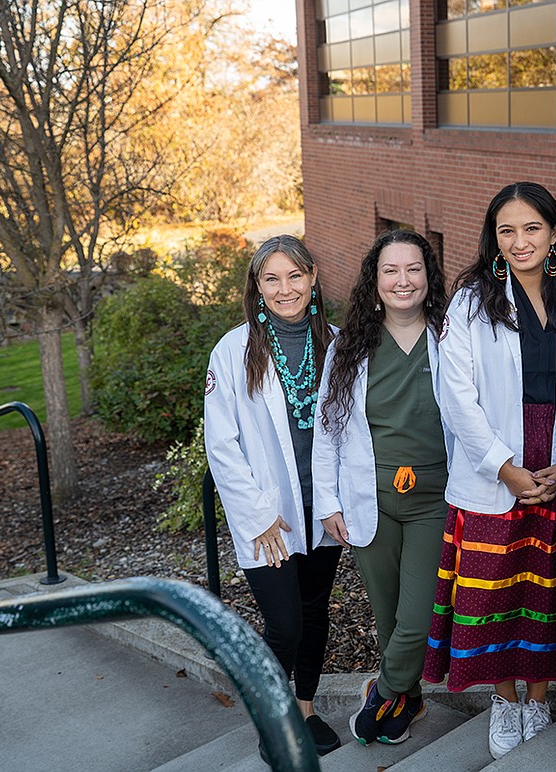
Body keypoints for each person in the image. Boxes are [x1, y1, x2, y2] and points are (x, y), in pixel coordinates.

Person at [422, 182, 556, 759]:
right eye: (507, 230)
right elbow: (456, 393)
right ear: (493, 237)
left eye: (532, 228)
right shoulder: (471, 298)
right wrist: (505, 468)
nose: (520, 242)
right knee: (491, 590)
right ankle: (505, 696)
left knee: (547, 588)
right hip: (495, 463)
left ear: (555, 232)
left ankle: (538, 695)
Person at [203, 234, 344, 759]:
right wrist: (259, 516)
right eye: (272, 279)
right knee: (283, 625)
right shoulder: (234, 350)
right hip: (269, 518)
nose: (285, 289)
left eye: (294, 276)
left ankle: (304, 709)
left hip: (322, 510)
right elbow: (221, 445)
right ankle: (272, 716)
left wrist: (339, 503)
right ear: (257, 288)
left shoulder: (335, 340)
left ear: (312, 279)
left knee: (314, 614)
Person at [312, 229, 450, 747]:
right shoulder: (350, 347)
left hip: (434, 498)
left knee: (417, 614)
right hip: (369, 498)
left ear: (427, 277)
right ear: (375, 282)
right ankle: (407, 701)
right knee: (389, 615)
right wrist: (328, 502)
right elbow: (328, 430)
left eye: (413, 269)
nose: (402, 280)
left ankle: (381, 693)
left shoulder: (451, 334)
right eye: (390, 270)